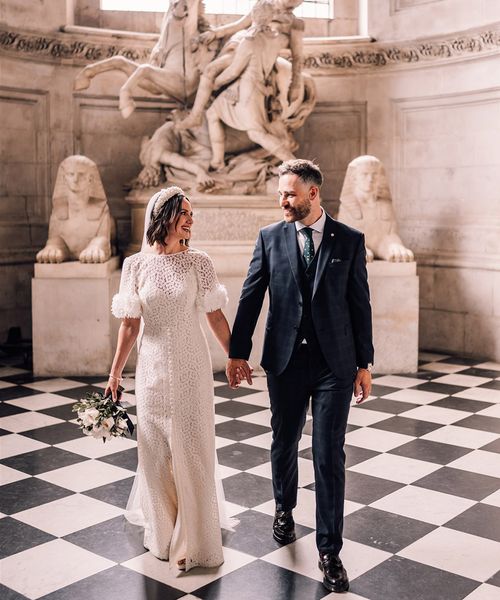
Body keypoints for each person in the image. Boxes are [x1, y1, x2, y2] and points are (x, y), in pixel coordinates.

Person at [226, 159, 374, 593]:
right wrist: (238, 352)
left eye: (289, 193)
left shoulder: (349, 240)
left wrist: (364, 363)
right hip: (285, 362)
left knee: (329, 453)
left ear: (313, 193)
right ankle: (283, 509)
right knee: (284, 440)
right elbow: (251, 296)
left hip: (335, 364)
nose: (282, 201)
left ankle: (330, 551)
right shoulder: (270, 238)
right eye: (280, 194)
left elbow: (359, 305)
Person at [106, 186, 233, 571]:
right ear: (164, 218)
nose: (191, 220)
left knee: (192, 449)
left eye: (192, 214)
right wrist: (114, 374)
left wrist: (236, 357)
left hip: (191, 366)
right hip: (151, 369)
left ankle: (195, 540)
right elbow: (129, 326)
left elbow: (214, 316)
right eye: (185, 213)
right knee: (156, 453)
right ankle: (163, 532)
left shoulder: (199, 262)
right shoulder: (135, 266)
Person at [176, 0, 304, 131]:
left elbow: (298, 56)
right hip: (241, 45)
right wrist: (215, 33)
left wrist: (296, 84)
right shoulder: (263, 5)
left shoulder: (296, 24)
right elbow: (239, 25)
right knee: (209, 69)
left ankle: (198, 114)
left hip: (258, 53)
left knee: (212, 71)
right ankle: (196, 115)